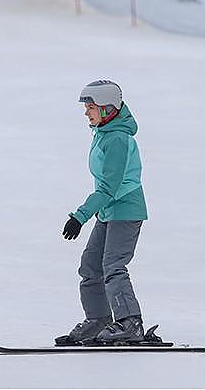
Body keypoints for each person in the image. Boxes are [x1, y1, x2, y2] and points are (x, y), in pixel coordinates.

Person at [57, 79, 149, 345]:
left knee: (113, 265)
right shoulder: (104, 134)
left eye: (91, 107)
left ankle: (130, 322)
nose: (86, 113)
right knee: (90, 266)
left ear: (108, 108)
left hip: (126, 210)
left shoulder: (118, 139)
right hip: (109, 211)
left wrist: (79, 216)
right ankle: (98, 320)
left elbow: (109, 186)